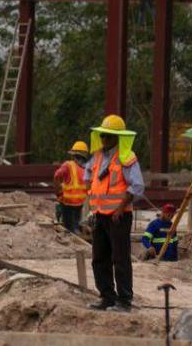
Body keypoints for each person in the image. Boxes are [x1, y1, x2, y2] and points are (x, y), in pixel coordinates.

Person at [84, 114, 143, 312]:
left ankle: (125, 300)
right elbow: (88, 177)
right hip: (100, 215)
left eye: (108, 136)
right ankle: (107, 297)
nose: (104, 139)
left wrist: (119, 209)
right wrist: (92, 204)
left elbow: (137, 186)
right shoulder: (97, 156)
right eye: (103, 136)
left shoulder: (127, 157)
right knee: (99, 258)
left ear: (118, 137)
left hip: (119, 216)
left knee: (120, 258)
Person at [54, 141, 89, 233]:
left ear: (74, 155)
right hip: (79, 203)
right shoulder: (88, 169)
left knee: (68, 229)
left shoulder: (68, 165)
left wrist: (58, 192)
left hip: (67, 203)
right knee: (74, 226)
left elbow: (56, 176)